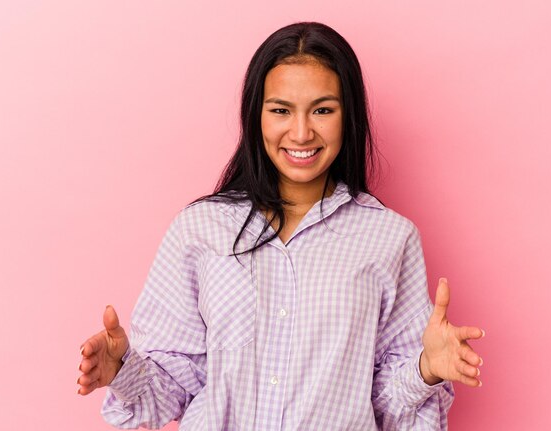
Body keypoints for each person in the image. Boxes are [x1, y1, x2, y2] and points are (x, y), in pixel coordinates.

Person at [77, 21, 484, 430]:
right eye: (281, 110)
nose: (302, 132)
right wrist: (122, 371)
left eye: (323, 110)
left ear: (349, 116)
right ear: (257, 116)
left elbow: (387, 407)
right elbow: (174, 386)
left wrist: (425, 368)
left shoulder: (390, 239)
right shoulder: (199, 229)